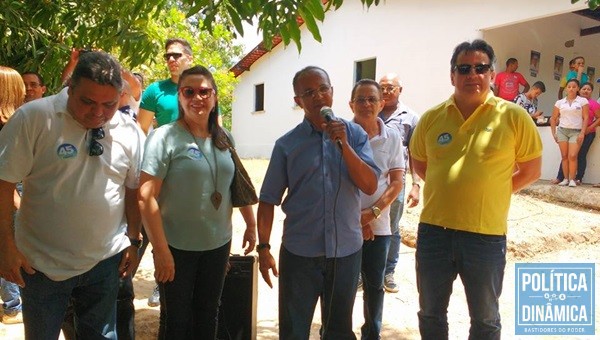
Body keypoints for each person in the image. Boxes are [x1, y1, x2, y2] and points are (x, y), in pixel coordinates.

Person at [0, 51, 144, 339]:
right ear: (70, 89)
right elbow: (3, 185)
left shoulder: (129, 131)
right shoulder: (34, 118)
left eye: (109, 104)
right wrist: (6, 247)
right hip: (40, 264)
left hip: (105, 261)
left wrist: (133, 239)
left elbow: (133, 189)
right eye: (87, 102)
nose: (98, 112)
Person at [410, 39, 542, 339]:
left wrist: (495, 189)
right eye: (464, 68)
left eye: (481, 68)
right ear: (452, 75)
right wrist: (449, 186)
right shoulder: (431, 118)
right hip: (434, 233)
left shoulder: (513, 117)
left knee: (485, 318)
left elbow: (531, 170)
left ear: (492, 74)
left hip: (485, 236)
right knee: (430, 313)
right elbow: (418, 162)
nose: (473, 74)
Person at [256, 66, 379, 339]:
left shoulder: (355, 135)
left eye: (323, 88)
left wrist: (344, 145)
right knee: (294, 330)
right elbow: (267, 200)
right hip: (300, 254)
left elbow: (369, 185)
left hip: (345, 252)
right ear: (298, 101)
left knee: (338, 330)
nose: (318, 96)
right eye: (309, 92)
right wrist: (263, 247)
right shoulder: (287, 145)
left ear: (333, 92)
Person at [138, 65, 257, 339]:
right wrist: (161, 250)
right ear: (179, 97)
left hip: (217, 244)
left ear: (214, 97)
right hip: (176, 246)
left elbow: (236, 185)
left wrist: (250, 225)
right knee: (176, 321)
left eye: (204, 91)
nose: (197, 97)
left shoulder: (224, 137)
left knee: (208, 313)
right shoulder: (164, 136)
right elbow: (145, 197)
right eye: (188, 91)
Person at [351, 79, 404, 339]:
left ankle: (372, 334)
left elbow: (396, 183)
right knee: (340, 287)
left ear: (382, 103)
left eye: (372, 99)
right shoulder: (341, 135)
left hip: (378, 226)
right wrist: (356, 222)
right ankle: (333, 332)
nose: (367, 104)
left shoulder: (392, 137)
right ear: (351, 104)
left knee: (374, 287)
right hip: (345, 226)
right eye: (360, 99)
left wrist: (371, 215)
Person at [378, 73, 421, 293]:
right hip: (369, 181)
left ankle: (388, 272)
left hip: (397, 182)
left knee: (392, 228)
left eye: (390, 88)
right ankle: (362, 272)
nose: (385, 91)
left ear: (399, 90)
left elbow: (415, 153)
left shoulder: (411, 117)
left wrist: (416, 184)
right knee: (365, 223)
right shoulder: (368, 110)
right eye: (382, 87)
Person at [0, 66, 25, 325]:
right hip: (12, 193)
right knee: (9, 246)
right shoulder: (11, 124)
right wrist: (19, 203)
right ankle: (13, 305)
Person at [137, 38, 193, 135]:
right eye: (168, 56)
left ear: (189, 59)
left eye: (176, 55)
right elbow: (141, 130)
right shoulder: (155, 90)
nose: (171, 59)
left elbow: (216, 129)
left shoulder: (204, 90)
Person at [550, 79, 591, 186]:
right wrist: (554, 132)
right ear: (566, 89)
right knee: (564, 156)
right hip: (562, 131)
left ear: (577, 88)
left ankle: (572, 179)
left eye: (574, 87)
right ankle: (565, 179)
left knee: (572, 156)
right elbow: (553, 118)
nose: (571, 89)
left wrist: (582, 132)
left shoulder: (582, 101)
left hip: (576, 131)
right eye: (569, 86)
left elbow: (586, 117)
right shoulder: (559, 102)